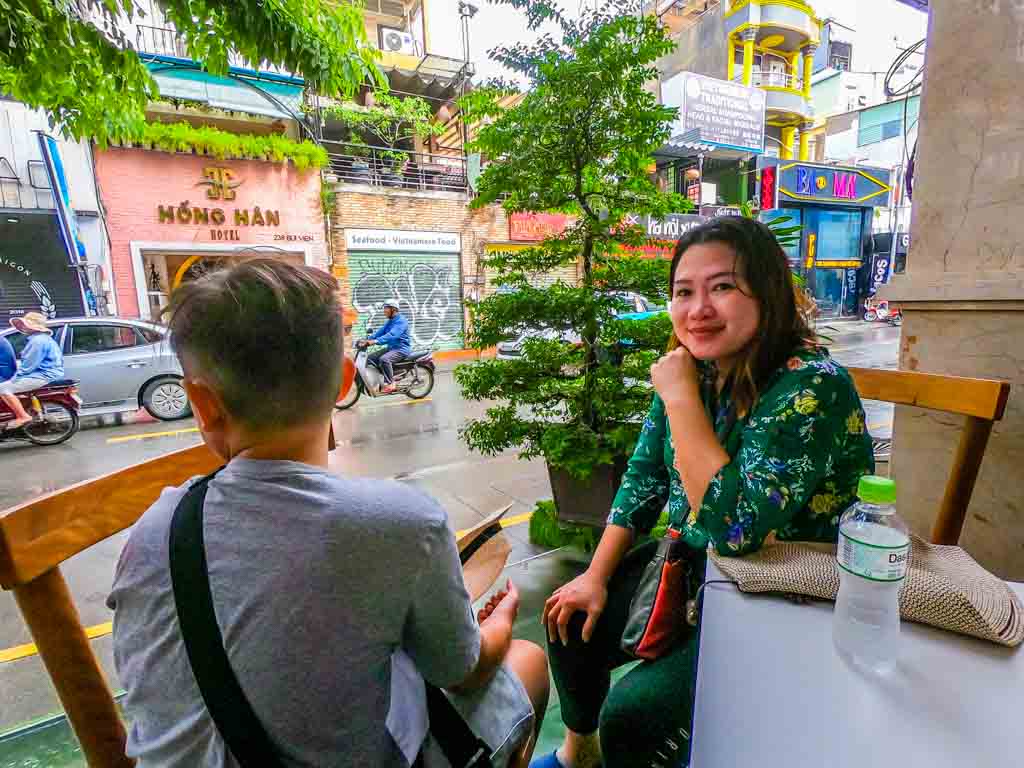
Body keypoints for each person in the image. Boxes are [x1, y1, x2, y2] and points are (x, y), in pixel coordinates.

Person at [107, 260, 548, 768]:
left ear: (201, 405)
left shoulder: (153, 531)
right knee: (528, 662)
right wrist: (503, 621)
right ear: (342, 383)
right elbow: (461, 670)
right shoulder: (400, 522)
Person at [533, 217, 875, 768]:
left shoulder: (812, 384)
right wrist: (594, 577)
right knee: (568, 618)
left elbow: (733, 530)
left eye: (722, 287)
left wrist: (681, 400)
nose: (698, 310)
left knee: (637, 715)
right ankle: (580, 755)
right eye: (683, 292)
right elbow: (644, 477)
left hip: (780, 589)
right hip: (691, 564)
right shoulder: (696, 371)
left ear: (768, 293)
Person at [0, 312, 64, 430]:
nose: (23, 327)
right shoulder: (41, 339)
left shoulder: (38, 341)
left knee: (3, 388)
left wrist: (16, 378)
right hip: (45, 374)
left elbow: (29, 364)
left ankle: (23, 416)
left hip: (43, 375)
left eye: (25, 324)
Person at [358, 299, 412, 394]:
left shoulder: (401, 321)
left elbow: (392, 335)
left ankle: (391, 383)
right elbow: (381, 332)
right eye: (384, 308)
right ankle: (381, 379)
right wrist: (366, 339)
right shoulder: (390, 321)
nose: (384, 311)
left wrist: (375, 341)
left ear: (393, 309)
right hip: (392, 348)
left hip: (401, 349)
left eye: (386, 308)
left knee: (384, 359)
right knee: (370, 358)